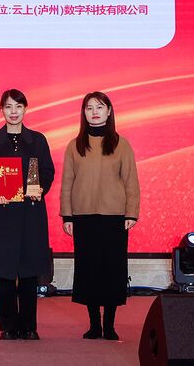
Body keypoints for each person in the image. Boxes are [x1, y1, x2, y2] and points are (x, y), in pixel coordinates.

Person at [0, 88, 56, 340]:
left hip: (31, 215)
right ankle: (9, 326)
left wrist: (40, 188)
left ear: (25, 109)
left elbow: (47, 171)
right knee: (6, 273)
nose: (13, 112)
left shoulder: (37, 140)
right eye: (9, 107)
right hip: (2, 215)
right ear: (1, 109)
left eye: (18, 107)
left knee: (30, 272)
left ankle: (29, 326)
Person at [60, 91, 140, 341]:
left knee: (113, 270)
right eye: (89, 108)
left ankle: (110, 325)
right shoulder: (74, 145)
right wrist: (67, 216)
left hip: (114, 217)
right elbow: (67, 183)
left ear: (109, 111)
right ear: (83, 113)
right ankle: (94, 324)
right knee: (89, 270)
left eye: (99, 107)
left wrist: (131, 213)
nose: (94, 112)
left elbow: (131, 181)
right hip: (83, 217)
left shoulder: (121, 144)